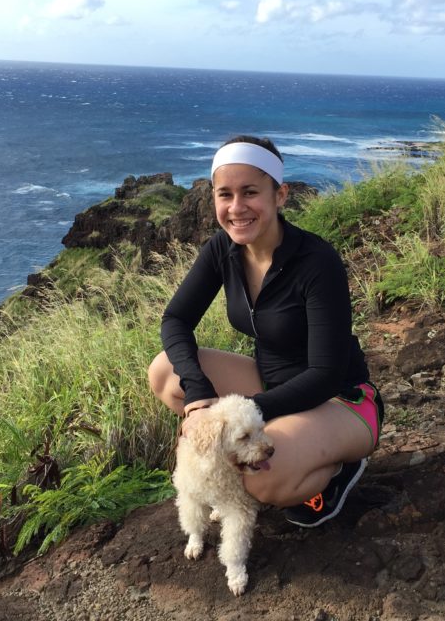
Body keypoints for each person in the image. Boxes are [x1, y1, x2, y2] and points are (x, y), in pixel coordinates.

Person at [148, 135, 383, 527]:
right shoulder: (222, 250)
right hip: (271, 387)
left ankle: (338, 471)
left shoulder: (317, 262)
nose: (236, 208)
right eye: (225, 195)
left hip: (341, 400)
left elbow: (325, 374)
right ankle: (283, 443)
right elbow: (175, 320)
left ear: (280, 195)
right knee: (165, 373)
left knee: (265, 482)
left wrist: (248, 412)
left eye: (250, 193)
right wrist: (200, 398)